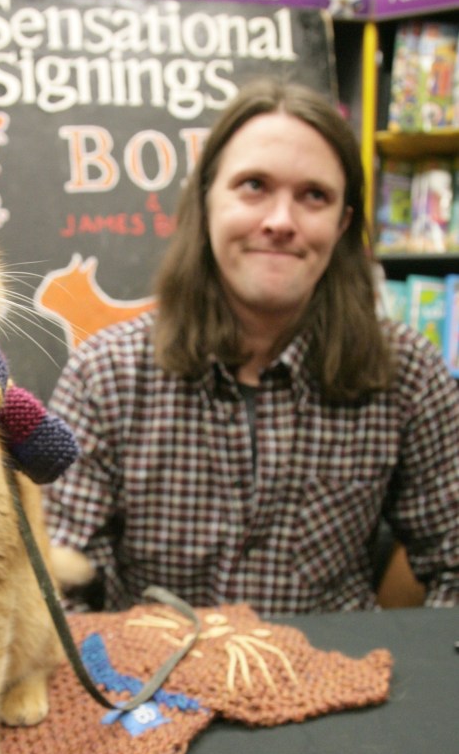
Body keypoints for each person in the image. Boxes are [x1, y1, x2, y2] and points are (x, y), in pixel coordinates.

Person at [45, 78, 459, 617]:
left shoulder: (406, 373)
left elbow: (452, 562)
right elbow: (60, 589)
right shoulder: (105, 374)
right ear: (206, 201)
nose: (281, 221)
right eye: (254, 186)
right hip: (155, 687)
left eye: (315, 195)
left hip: (335, 684)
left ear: (343, 224)